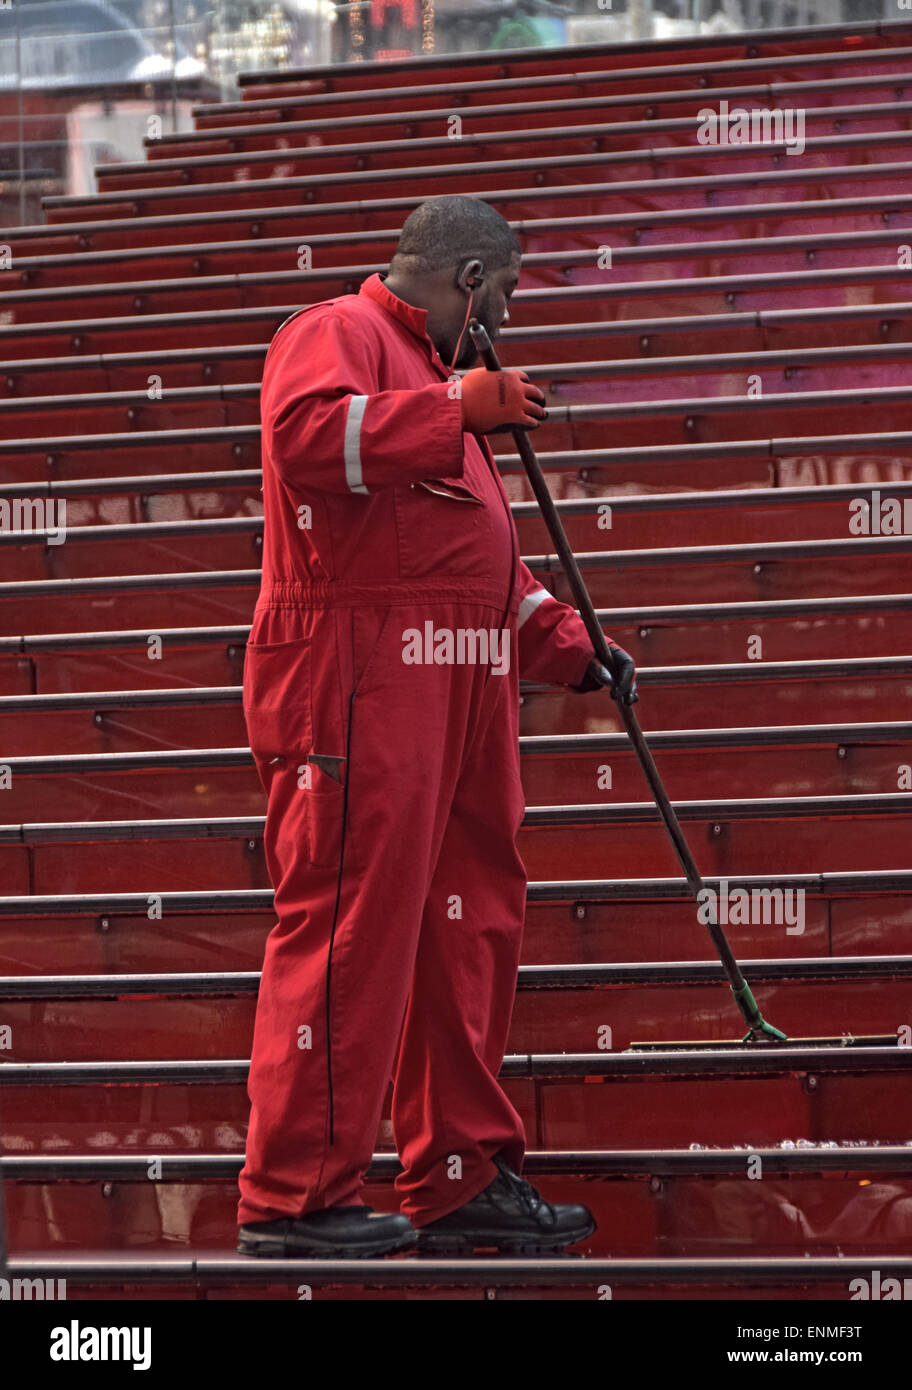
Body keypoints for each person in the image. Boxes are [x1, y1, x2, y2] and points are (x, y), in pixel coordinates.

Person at [236, 194, 637, 1260]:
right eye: (502, 297)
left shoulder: (444, 389)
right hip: (355, 672)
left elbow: (477, 576)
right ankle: (293, 1196)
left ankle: (459, 1178)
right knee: (349, 924)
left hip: (453, 686)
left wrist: (568, 644)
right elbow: (307, 438)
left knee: (470, 925)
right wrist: (457, 407)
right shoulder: (340, 333)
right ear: (470, 281)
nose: (504, 319)